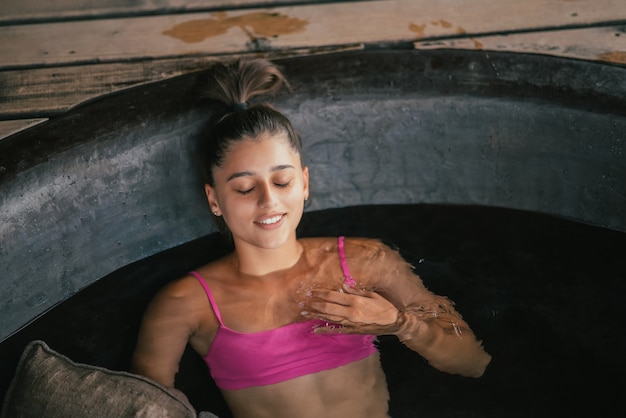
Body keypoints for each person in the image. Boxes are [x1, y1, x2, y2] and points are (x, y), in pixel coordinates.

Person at [131, 58, 491, 418]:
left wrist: (399, 323)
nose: (268, 200)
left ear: (304, 183)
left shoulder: (365, 260)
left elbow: (472, 361)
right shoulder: (186, 302)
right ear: (214, 200)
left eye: (282, 181)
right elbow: (141, 409)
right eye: (244, 188)